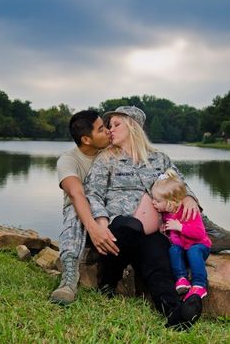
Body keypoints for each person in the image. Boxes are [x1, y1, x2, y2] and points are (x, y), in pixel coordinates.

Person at [84, 106, 204, 329]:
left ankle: (174, 312)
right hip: (118, 229)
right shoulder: (106, 159)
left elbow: (180, 184)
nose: (110, 130)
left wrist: (189, 198)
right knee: (128, 226)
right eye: (108, 126)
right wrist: (101, 222)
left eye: (116, 124)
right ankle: (108, 282)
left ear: (133, 126)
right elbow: (93, 193)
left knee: (158, 261)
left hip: (152, 233)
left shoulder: (160, 159)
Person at [50, 110, 119, 305]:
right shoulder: (68, 160)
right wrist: (94, 229)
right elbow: (76, 194)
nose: (107, 131)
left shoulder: (111, 152)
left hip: (109, 214)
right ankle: (69, 279)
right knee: (75, 208)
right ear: (87, 139)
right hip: (82, 219)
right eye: (101, 129)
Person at [152, 168, 212, 301]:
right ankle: (181, 279)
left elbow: (200, 233)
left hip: (200, 247)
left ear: (171, 202)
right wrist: (165, 230)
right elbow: (173, 238)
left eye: (157, 200)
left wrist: (180, 227)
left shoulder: (188, 211)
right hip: (183, 248)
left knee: (193, 251)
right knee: (173, 249)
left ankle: (199, 284)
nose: (153, 202)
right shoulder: (167, 213)